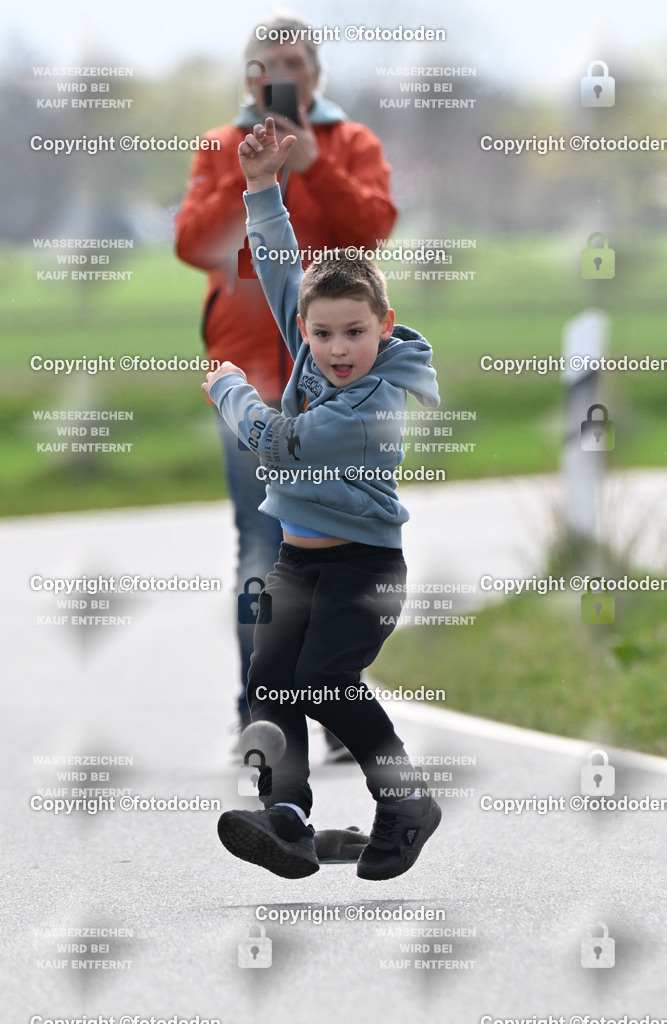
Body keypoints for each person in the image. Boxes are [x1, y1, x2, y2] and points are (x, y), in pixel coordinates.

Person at [201, 117, 441, 881]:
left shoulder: (369, 405)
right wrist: (263, 186)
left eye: (355, 333)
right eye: (324, 333)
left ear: (384, 328)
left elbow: (275, 442)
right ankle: (290, 819)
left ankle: (405, 801)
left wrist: (230, 388)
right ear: (303, 331)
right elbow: (279, 268)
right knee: (269, 684)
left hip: (361, 571)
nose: (337, 350)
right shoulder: (313, 349)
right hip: (296, 566)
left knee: (324, 683)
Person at [176, 17, 397, 748]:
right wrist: (251, 177)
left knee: (344, 540)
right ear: (248, 78)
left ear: (317, 74)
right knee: (262, 544)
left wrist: (310, 160)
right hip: (252, 371)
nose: (282, 73)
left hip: (339, 379)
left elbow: (368, 230)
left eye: (295, 62)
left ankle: (331, 697)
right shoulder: (219, 147)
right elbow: (192, 242)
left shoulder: (350, 143)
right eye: (266, 65)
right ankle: (263, 711)